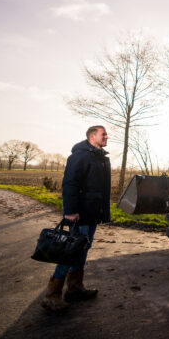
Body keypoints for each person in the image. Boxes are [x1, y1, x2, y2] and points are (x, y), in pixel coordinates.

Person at [41, 125, 111, 311]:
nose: (106, 136)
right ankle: (52, 295)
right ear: (91, 136)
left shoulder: (102, 158)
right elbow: (69, 183)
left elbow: (102, 189)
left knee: (83, 249)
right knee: (70, 250)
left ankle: (75, 288)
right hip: (79, 213)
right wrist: (70, 211)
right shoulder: (79, 156)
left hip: (93, 213)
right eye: (103, 134)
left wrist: (104, 210)